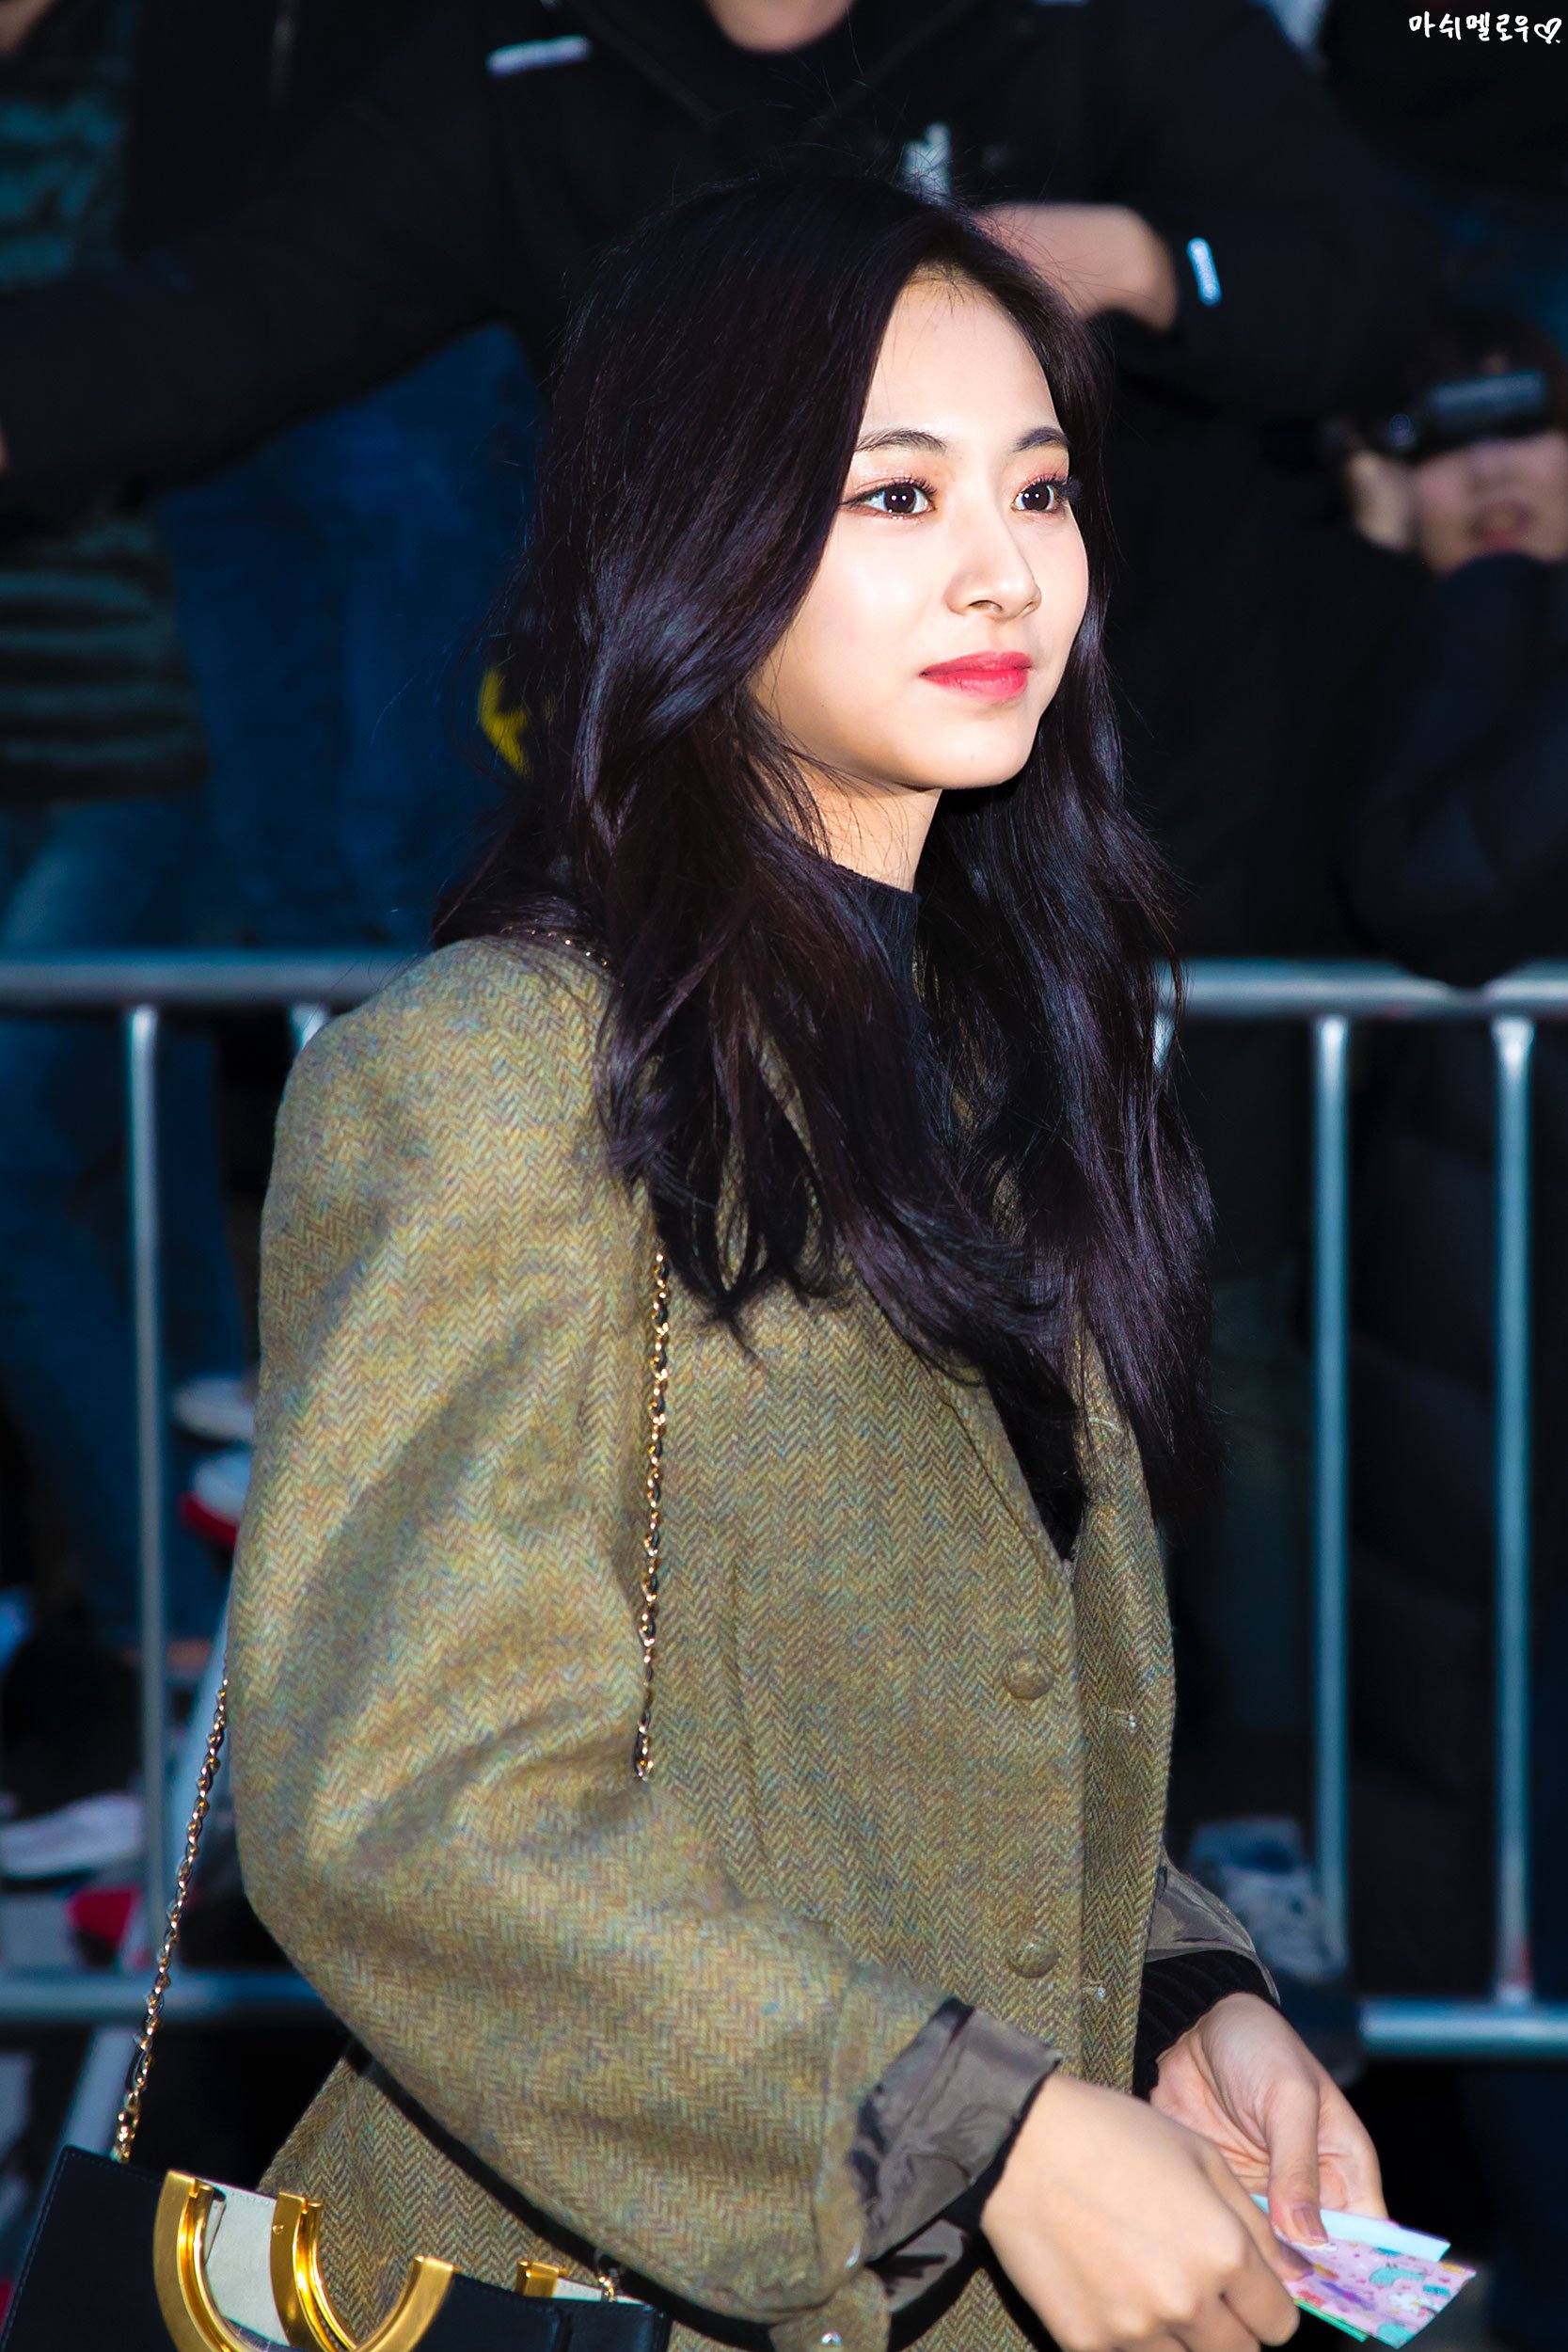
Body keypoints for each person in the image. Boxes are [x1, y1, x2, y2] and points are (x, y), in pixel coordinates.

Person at [230, 175, 1384, 2352]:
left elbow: (940, 1706)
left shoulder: (996, 1042)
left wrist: (1175, 1989)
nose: (1003, 567)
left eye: (1041, 485)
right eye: (896, 494)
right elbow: (404, 1811)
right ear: (698, 528)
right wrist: (967, 2131)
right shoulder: (494, 1075)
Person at [1336, 307, 1568, 2352]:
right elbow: (1434, 881)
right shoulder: (1387, 638)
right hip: (1451, 1376)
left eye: (1534, 432)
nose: (1496, 472)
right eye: (1444, 440)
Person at [0, 0, 246, 1869]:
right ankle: (195, 1659)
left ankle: (187, 1628)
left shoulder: (143, 76)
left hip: (156, 738)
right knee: (129, 1190)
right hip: (31, 742)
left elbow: (157, 375)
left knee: (25, 1155)